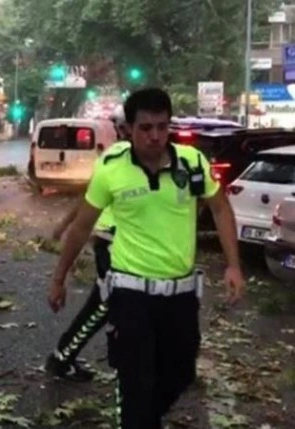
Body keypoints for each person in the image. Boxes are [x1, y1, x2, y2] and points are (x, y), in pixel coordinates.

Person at [48, 88, 244, 429]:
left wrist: (233, 265)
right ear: (130, 129)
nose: (155, 136)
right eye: (146, 127)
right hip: (130, 292)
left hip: (181, 295)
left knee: (182, 373)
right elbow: (82, 227)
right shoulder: (113, 169)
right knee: (135, 380)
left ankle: (142, 419)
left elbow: (220, 208)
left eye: (162, 126)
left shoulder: (193, 163)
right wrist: (58, 278)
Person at [45, 113, 130, 381]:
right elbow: (91, 197)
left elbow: (87, 196)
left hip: (112, 240)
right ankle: (62, 357)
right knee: (104, 304)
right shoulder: (123, 157)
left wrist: (63, 224)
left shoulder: (113, 155)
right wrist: (66, 226)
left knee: (115, 303)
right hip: (114, 240)